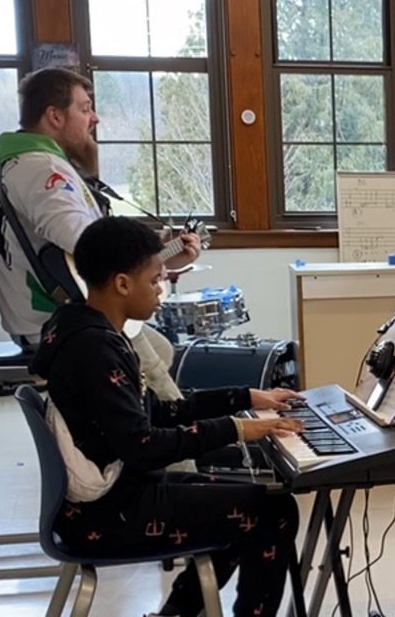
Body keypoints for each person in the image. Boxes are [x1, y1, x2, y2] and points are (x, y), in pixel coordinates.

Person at [31, 216, 306, 617]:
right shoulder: (95, 350)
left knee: (254, 503)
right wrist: (239, 429)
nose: (161, 290)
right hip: (109, 515)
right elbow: (144, 446)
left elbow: (156, 411)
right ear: (123, 284)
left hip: (113, 497)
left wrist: (246, 396)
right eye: (155, 280)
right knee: (273, 514)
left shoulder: (83, 326)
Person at [0, 66, 202, 348]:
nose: (95, 118)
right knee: (166, 365)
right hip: (62, 324)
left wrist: (158, 257)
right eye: (85, 109)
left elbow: (93, 246)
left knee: (162, 349)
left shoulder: (25, 163)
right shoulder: (42, 170)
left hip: (57, 318)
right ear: (55, 116)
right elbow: (90, 246)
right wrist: (154, 259)